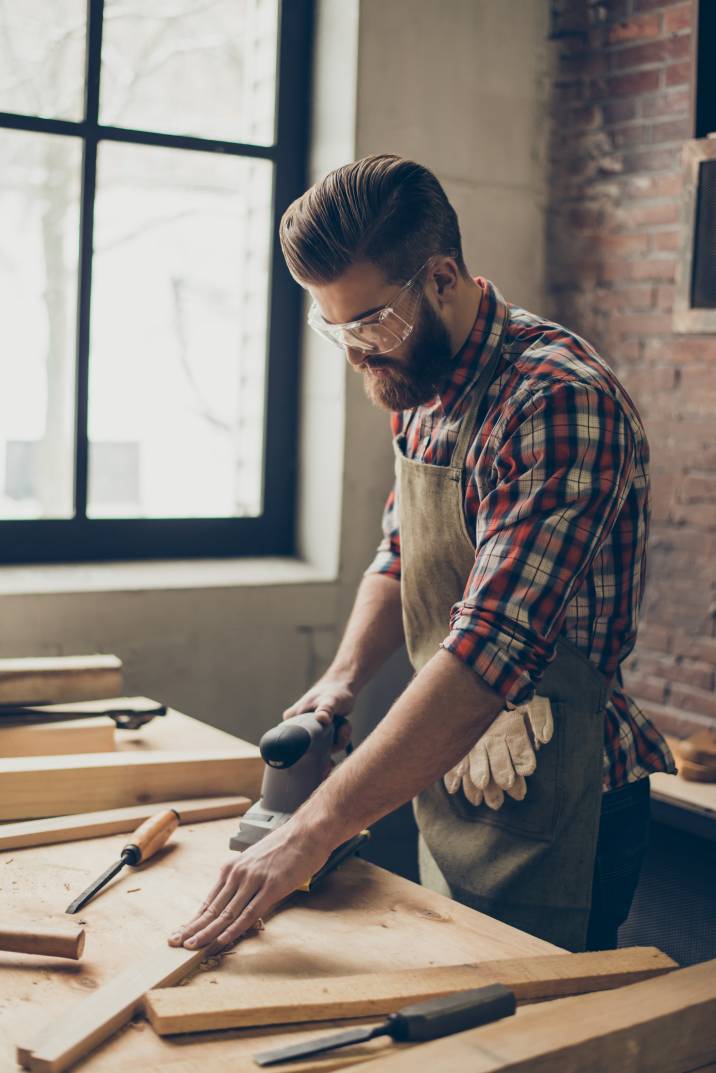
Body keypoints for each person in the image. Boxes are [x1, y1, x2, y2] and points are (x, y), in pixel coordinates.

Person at [168, 155, 675, 954]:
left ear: (442, 278)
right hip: (455, 771)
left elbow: (486, 651)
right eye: (333, 328)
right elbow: (401, 549)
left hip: (566, 798)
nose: (357, 355)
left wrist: (313, 827)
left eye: (370, 323)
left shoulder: (557, 401)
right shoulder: (423, 383)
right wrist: (339, 683)